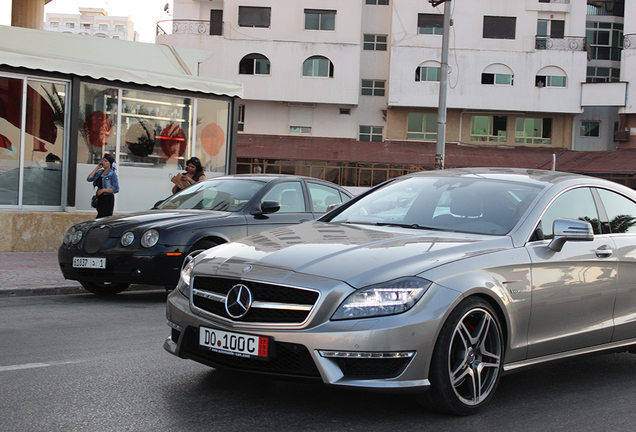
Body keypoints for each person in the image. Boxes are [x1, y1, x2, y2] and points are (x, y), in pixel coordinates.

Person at [87, 153, 119, 218]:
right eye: (103, 160)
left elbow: (116, 189)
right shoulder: (100, 172)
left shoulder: (112, 174)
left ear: (109, 163)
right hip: (100, 198)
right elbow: (89, 179)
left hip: (107, 198)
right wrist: (97, 168)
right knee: (100, 216)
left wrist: (103, 190)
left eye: (105, 161)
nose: (103, 162)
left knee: (102, 217)